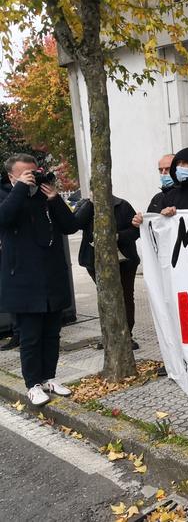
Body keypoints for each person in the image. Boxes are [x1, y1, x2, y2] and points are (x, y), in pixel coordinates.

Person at [0, 154, 78, 406]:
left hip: (51, 278)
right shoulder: (6, 196)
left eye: (34, 172)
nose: (32, 177)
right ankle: (32, 384)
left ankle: (49, 378)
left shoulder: (46, 198)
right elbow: (5, 217)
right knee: (30, 337)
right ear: (11, 176)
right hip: (22, 281)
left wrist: (55, 199)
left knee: (52, 334)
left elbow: (70, 226)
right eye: (24, 174)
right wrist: (21, 188)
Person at [74, 189, 140, 349]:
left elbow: (136, 231)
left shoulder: (122, 206)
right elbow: (75, 224)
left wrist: (117, 236)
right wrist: (90, 204)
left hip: (124, 261)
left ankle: (126, 336)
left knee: (124, 297)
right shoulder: (86, 206)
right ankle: (110, 336)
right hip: (95, 262)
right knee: (106, 298)